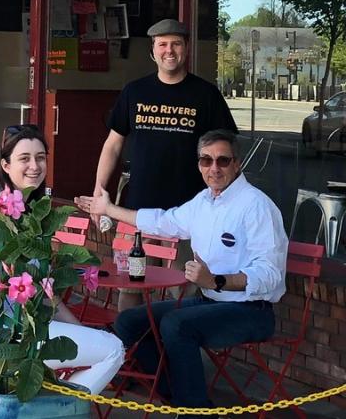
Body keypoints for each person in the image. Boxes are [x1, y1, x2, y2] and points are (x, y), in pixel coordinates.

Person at [76, 129, 287, 418]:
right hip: (211, 302)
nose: (214, 168)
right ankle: (176, 394)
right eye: (206, 160)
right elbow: (163, 222)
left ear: (237, 163)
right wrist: (110, 209)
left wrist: (216, 281)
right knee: (130, 320)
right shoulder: (203, 201)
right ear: (199, 164)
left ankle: (194, 410)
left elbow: (270, 274)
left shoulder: (257, 206)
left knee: (177, 325)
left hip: (251, 310)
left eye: (223, 161)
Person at [0, 123, 125, 395]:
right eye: (24, 158)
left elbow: (47, 295)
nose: (35, 166)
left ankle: (49, 409)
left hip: (31, 332)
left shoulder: (36, 213)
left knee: (107, 347)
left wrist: (83, 332)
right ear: (5, 166)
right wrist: (1, 269)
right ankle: (60, 411)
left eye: (40, 157)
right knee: (113, 350)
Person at [92, 18, 238, 308]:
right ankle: (130, 349)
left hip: (189, 214)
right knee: (130, 287)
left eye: (175, 44)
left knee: (182, 290)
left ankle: (172, 352)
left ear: (186, 49)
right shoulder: (135, 92)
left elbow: (226, 153)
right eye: (162, 44)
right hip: (137, 211)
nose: (169, 50)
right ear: (152, 51)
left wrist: (226, 202)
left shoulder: (206, 95)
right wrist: (99, 189)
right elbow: (113, 144)